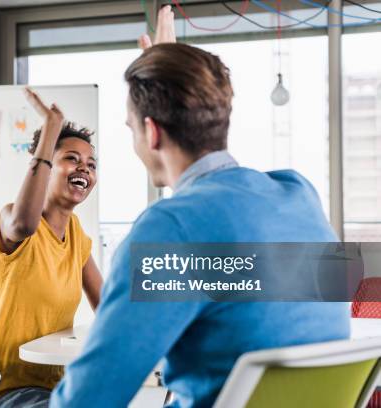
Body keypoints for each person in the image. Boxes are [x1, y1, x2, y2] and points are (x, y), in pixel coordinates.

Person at [49, 6, 350, 407]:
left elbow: (86, 400)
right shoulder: (298, 195)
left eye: (131, 128)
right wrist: (173, 74)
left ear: (151, 132)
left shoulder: (168, 232)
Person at [0, 88, 103, 407]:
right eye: (71, 159)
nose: (85, 169)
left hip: (52, 383)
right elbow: (24, 224)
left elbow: (106, 304)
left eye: (91, 164)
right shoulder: (13, 219)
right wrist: (52, 126)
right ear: (46, 168)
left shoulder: (76, 234)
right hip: (0, 387)